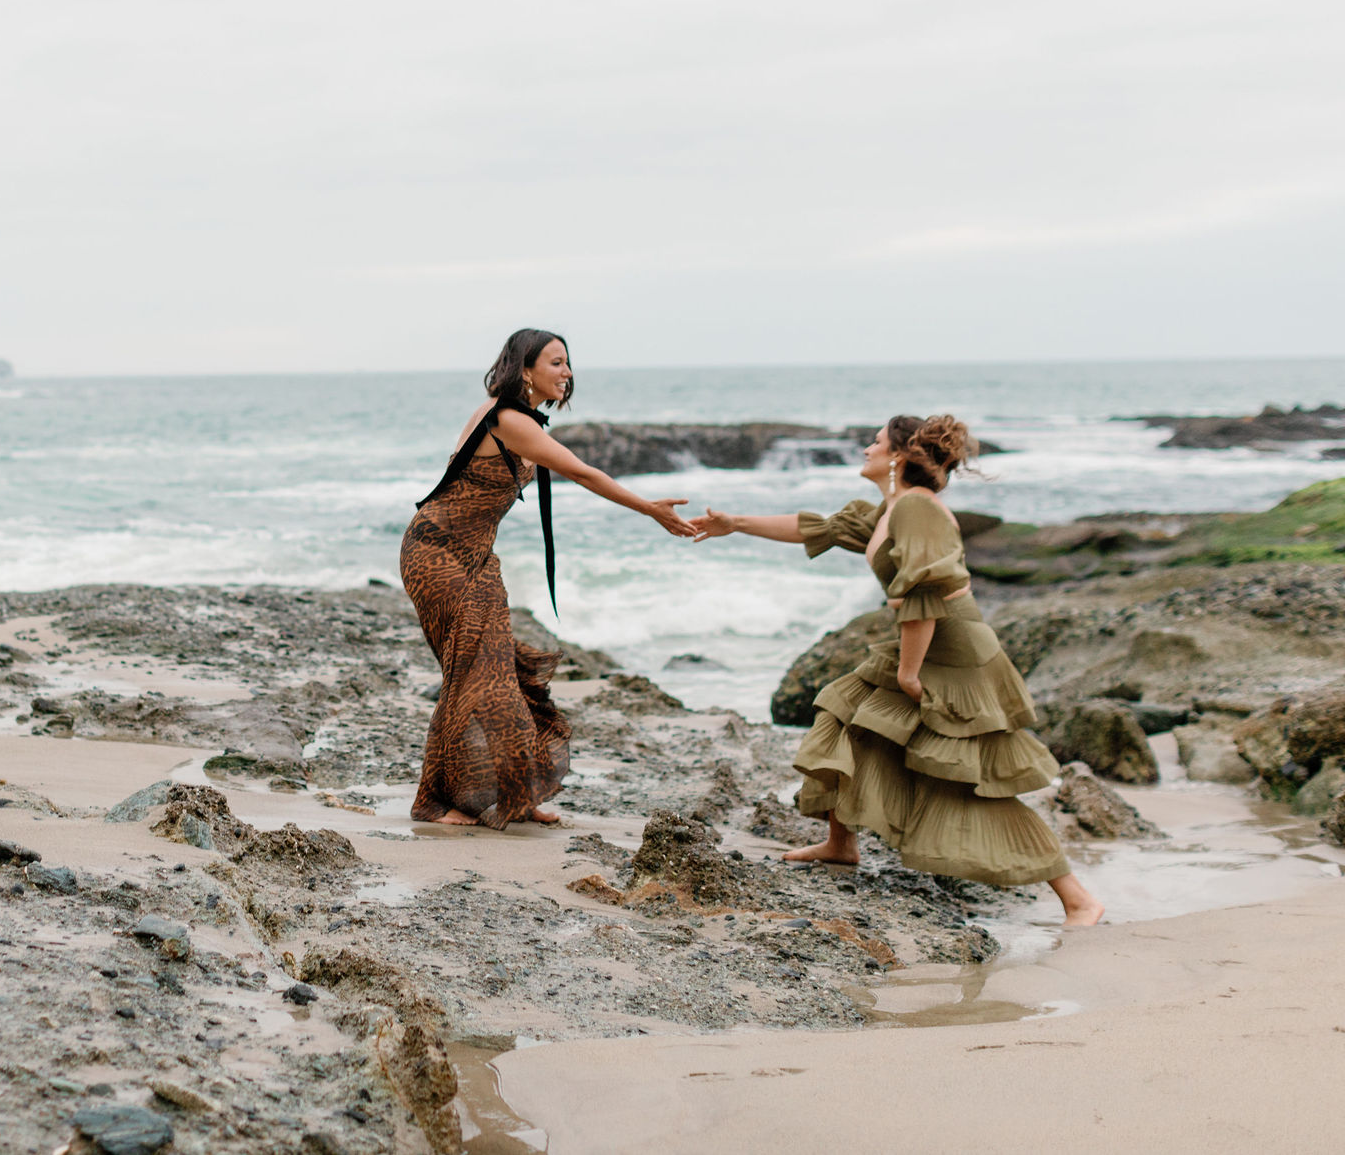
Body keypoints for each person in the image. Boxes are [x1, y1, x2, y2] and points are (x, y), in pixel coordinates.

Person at [690, 415, 1104, 926]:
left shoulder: (915, 510)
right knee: (843, 713)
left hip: (954, 655)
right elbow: (816, 527)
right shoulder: (893, 509)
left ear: (901, 457)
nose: (867, 447)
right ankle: (840, 845)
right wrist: (735, 524)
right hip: (927, 645)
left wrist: (909, 675)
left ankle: (1078, 898)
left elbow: (925, 592)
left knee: (969, 781)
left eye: (877, 442)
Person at [403, 328, 695, 829]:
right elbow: (583, 473)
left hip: (474, 556)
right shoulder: (509, 419)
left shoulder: (516, 419)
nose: (567, 372)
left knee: (504, 675)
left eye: (568, 363)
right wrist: (648, 508)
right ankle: (442, 801)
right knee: (476, 677)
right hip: (437, 553)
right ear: (526, 369)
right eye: (556, 363)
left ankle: (517, 794)